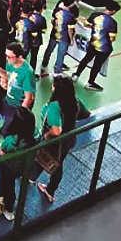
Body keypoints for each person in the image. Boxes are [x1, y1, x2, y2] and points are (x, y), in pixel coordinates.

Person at [36, 76, 86, 204]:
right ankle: (50, 190)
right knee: (58, 163)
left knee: (42, 158)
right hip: (69, 140)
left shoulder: (54, 106)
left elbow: (56, 131)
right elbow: (86, 114)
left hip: (54, 142)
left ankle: (31, 178)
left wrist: (47, 134)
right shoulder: (75, 102)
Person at [0, 106, 39, 221]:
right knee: (6, 183)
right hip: (25, 165)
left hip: (9, 166)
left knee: (7, 185)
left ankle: (8, 208)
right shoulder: (36, 133)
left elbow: (2, 151)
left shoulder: (12, 140)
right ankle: (0, 199)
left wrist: (1, 151)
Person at [73, 0, 121, 91]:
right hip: (104, 48)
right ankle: (90, 82)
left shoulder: (95, 15)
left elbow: (86, 24)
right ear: (114, 11)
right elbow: (112, 38)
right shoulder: (112, 22)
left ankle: (76, 75)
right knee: (97, 65)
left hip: (92, 43)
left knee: (86, 59)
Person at [0, 42, 35, 136]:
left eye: (10, 56)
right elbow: (7, 75)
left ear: (19, 56)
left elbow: (28, 97)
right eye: (6, 55)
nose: (7, 58)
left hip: (18, 105)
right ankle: (4, 129)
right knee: (7, 121)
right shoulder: (10, 63)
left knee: (13, 130)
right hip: (9, 100)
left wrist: (20, 114)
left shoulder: (27, 72)